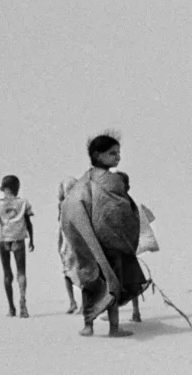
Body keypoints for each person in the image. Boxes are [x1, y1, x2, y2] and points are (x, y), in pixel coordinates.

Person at [60, 133, 147, 337]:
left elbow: (72, 209)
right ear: (98, 155)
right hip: (110, 244)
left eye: (118, 153)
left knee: (91, 281)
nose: (118, 157)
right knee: (111, 283)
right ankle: (114, 328)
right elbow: (120, 210)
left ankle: (88, 325)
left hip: (91, 245)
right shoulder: (110, 181)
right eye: (113, 153)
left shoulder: (85, 181)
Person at [0, 175, 34, 318]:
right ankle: (23, 301)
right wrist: (31, 240)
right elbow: (29, 223)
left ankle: (11, 308)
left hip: (4, 240)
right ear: (16, 187)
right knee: (21, 272)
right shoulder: (23, 203)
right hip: (18, 240)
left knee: (7, 274)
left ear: (4, 188)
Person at [57, 177, 81, 314]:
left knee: (69, 273)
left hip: (71, 243)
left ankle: (74, 302)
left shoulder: (68, 205)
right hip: (72, 243)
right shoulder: (77, 203)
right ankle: (75, 302)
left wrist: (60, 244)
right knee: (73, 272)